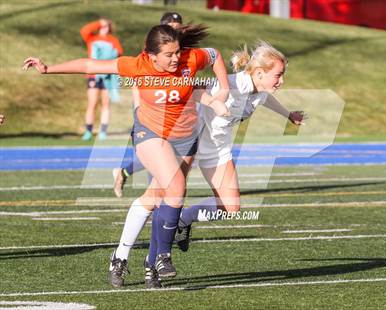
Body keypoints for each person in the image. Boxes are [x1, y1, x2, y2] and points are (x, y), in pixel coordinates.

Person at [22, 23, 230, 289]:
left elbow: (214, 55)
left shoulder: (190, 58)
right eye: (169, 55)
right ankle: (162, 257)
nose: (176, 58)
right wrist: (49, 68)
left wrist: (221, 90)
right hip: (151, 134)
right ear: (151, 55)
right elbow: (91, 65)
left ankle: (126, 258)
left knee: (159, 197)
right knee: (176, 187)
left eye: (177, 52)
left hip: (185, 137)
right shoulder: (137, 66)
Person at [173, 41, 306, 251]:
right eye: (278, 75)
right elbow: (193, 90)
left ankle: (184, 220)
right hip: (191, 142)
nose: (281, 81)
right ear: (260, 73)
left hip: (217, 149)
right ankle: (153, 253)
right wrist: (212, 103)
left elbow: (265, 99)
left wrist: (288, 114)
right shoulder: (232, 84)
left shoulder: (259, 89)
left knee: (231, 207)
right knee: (169, 196)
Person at [112, 12, 184, 198]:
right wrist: (138, 107)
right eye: (172, 26)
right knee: (159, 153)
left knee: (172, 153)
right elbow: (138, 75)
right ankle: (152, 199)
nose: (176, 29)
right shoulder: (154, 48)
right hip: (153, 107)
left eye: (179, 26)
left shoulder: (180, 49)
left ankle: (125, 173)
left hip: (176, 107)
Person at [80, 18, 123, 141]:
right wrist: (99, 22)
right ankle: (88, 130)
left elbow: (119, 52)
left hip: (108, 76)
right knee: (92, 103)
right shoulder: (92, 39)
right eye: (103, 26)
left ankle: (103, 131)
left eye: (107, 26)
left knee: (106, 103)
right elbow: (84, 30)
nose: (105, 28)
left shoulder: (113, 40)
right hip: (93, 75)